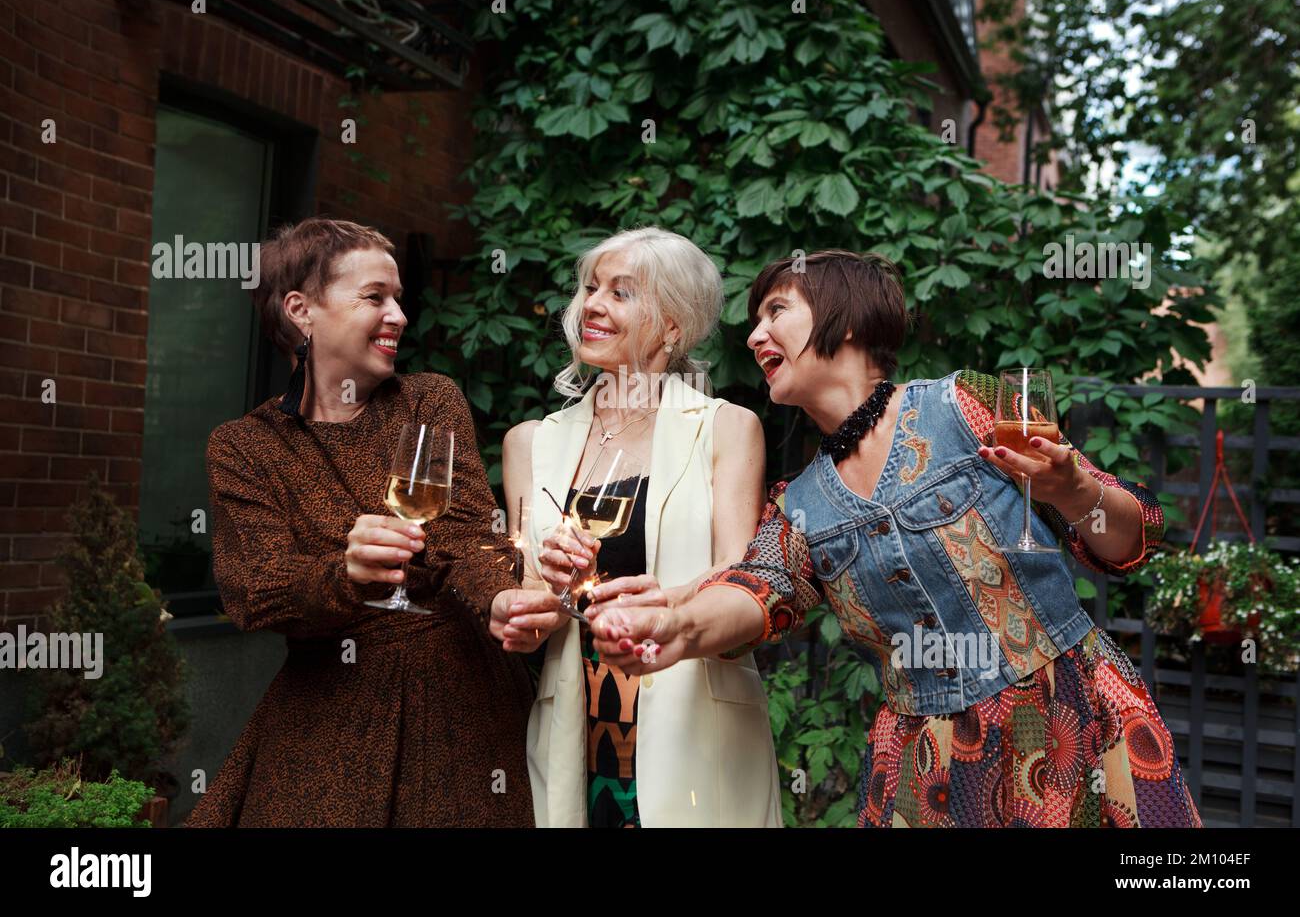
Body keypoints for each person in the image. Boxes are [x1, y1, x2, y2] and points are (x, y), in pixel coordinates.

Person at [587, 249, 1202, 828]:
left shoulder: (968, 405)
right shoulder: (797, 504)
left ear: (847, 321)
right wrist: (675, 627)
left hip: (1070, 718)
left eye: (776, 311)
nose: (753, 337)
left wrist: (1073, 491)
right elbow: (756, 591)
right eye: (754, 321)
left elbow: (1128, 541)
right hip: (927, 769)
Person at [187, 217, 537, 827]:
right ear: (302, 310)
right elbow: (255, 592)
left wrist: (501, 598)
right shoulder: (245, 448)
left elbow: (465, 534)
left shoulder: (429, 401)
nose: (399, 315)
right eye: (375, 297)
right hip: (325, 713)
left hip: (462, 702)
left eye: (398, 298)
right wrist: (344, 575)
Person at [498, 226, 782, 827]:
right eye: (590, 288)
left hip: (695, 727)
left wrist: (669, 606)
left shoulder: (726, 429)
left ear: (673, 326)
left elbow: (740, 582)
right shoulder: (531, 442)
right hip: (578, 728)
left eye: (620, 293)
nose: (591, 306)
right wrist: (528, 604)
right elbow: (537, 603)